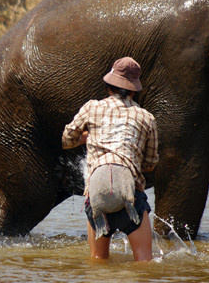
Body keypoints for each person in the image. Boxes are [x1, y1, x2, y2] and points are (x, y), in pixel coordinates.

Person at [62, 56, 159, 262]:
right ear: (133, 90)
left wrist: (85, 137)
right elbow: (150, 163)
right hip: (131, 198)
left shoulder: (91, 108)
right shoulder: (147, 117)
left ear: (108, 86)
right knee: (145, 264)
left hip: (97, 197)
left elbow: (66, 140)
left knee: (98, 262)